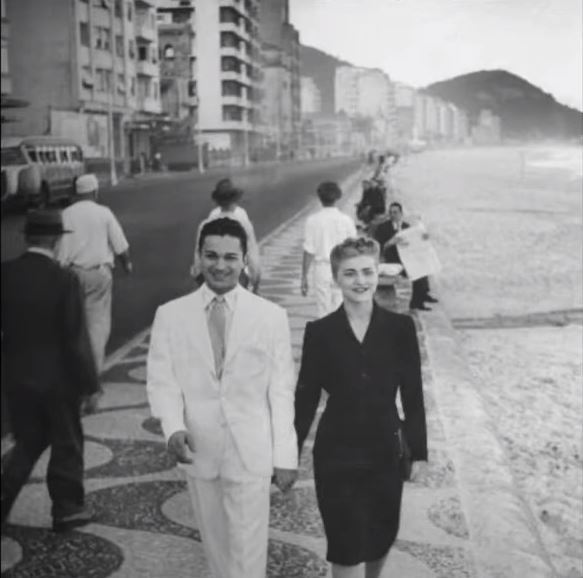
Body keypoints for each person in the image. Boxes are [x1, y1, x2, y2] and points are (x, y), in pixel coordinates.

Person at [147, 217, 298, 578]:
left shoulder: (271, 316)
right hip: (199, 447)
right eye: (211, 255)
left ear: (244, 260)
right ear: (198, 258)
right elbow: (162, 380)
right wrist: (173, 427)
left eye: (230, 257)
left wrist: (285, 456)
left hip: (252, 451)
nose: (220, 265)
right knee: (215, 547)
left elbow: (281, 392)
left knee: (248, 551)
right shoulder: (171, 315)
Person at [295, 237, 428, 578]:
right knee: (345, 543)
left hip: (386, 448)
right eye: (350, 273)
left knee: (382, 534)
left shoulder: (400, 328)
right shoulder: (320, 332)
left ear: (377, 273)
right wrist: (288, 455)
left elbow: (413, 395)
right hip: (336, 452)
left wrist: (420, 453)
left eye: (367, 271)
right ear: (336, 278)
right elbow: (305, 398)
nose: (360, 281)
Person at [1, 210, 101, 532]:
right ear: (57, 240)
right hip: (59, 381)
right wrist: (90, 385)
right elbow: (75, 338)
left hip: (17, 377)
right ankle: (67, 508)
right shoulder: (64, 279)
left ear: (27, 237)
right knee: (67, 442)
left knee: (28, 442)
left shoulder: (6, 274)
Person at [56, 174, 133, 373]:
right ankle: (93, 375)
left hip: (70, 274)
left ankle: (72, 372)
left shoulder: (65, 214)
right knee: (97, 326)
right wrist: (127, 264)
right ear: (95, 191)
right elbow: (120, 245)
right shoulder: (104, 213)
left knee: (71, 325)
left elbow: (58, 250)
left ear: (77, 193)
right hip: (98, 274)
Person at [191, 178, 261, 293]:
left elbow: (198, 259)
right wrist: (255, 282)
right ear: (235, 200)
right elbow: (253, 260)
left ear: (217, 201)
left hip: (212, 279)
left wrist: (199, 280)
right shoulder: (244, 224)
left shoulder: (205, 224)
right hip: (236, 279)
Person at [301, 181, 357, 317]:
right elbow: (354, 249)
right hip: (342, 268)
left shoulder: (312, 221)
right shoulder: (346, 220)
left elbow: (309, 251)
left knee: (323, 309)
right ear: (337, 197)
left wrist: (304, 276)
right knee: (341, 309)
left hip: (322, 268)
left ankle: (325, 331)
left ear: (320, 198)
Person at [372, 201, 438, 311]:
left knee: (424, 263)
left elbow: (415, 243)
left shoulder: (406, 226)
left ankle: (423, 294)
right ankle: (416, 302)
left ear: (401, 213)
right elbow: (378, 247)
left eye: (395, 212)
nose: (393, 215)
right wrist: (391, 242)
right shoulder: (383, 228)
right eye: (391, 212)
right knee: (416, 271)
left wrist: (423, 238)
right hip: (393, 259)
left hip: (407, 257)